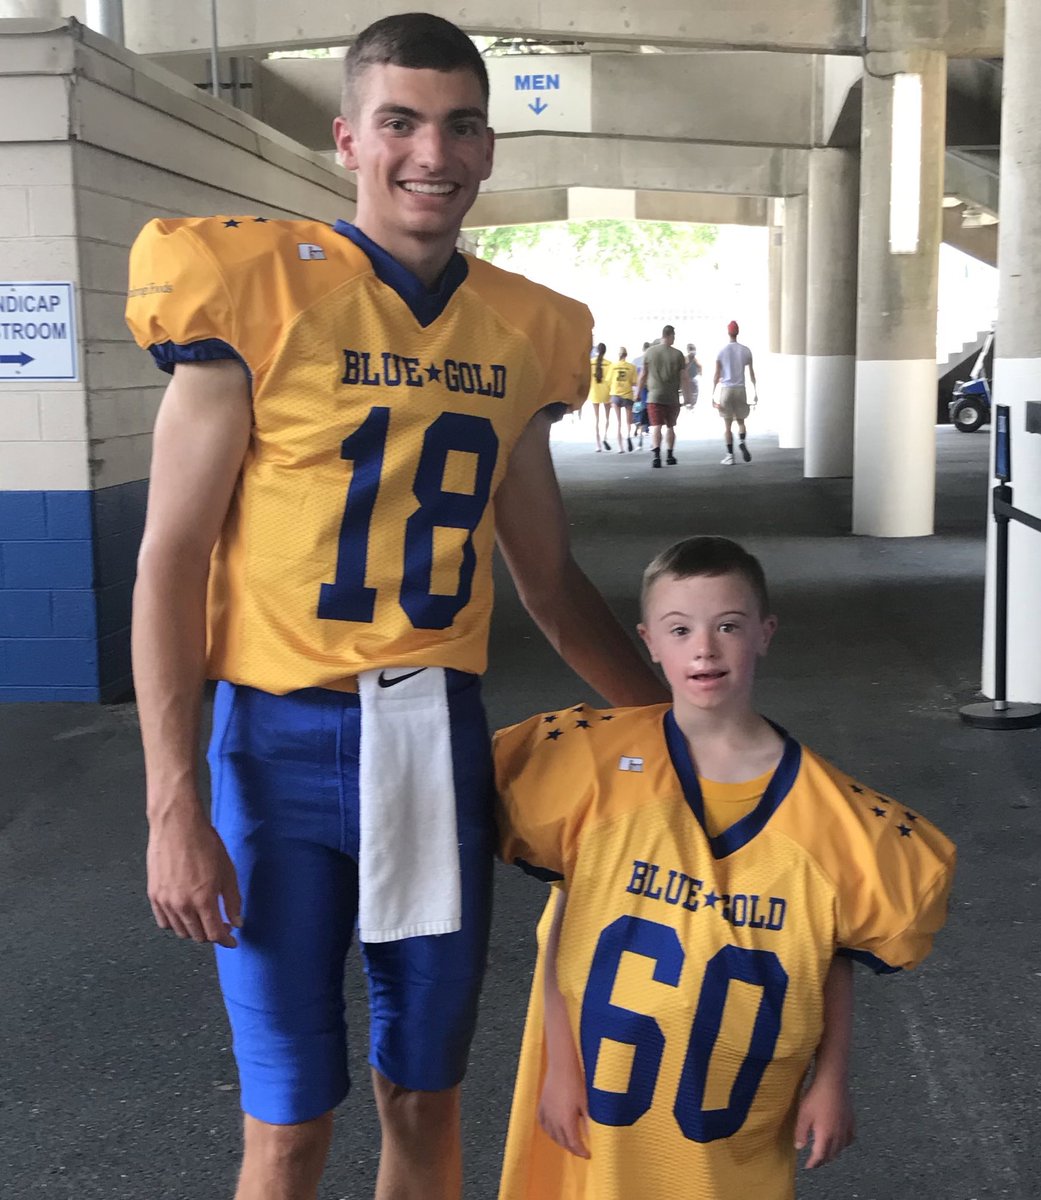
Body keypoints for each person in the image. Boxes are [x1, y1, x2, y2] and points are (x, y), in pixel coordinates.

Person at [125, 14, 667, 1200]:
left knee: (425, 1098)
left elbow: (549, 579)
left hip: (433, 740)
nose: (434, 151)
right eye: (402, 122)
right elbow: (170, 560)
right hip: (277, 744)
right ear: (348, 139)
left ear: (487, 149)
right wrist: (174, 802)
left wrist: (684, 732)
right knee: (289, 1123)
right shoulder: (253, 288)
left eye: (461, 125)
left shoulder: (523, 329)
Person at [495, 536, 956, 1200]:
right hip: (598, 1101)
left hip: (732, 1128)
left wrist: (830, 1079)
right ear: (649, 641)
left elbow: (831, 951)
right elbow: (561, 922)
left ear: (763, 634)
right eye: (680, 630)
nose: (704, 649)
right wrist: (558, 1065)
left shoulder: (836, 823)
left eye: (728, 626)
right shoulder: (595, 772)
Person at [637, 324, 692, 468]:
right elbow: (684, 377)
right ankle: (670, 455)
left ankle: (656, 457)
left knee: (656, 426)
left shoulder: (649, 352)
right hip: (672, 397)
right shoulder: (678, 354)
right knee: (670, 426)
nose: (674, 338)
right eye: (674, 336)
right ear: (670, 335)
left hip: (654, 397)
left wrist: (637, 393)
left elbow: (643, 375)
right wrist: (687, 397)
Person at [714, 320, 758, 465]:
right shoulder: (746, 350)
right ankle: (742, 441)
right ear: (738, 332)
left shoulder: (721, 351)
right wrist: (755, 391)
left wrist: (713, 394)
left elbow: (716, 375)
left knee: (727, 425)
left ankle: (730, 456)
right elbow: (751, 373)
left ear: (728, 332)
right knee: (741, 421)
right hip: (741, 389)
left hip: (726, 390)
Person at [607, 347, 638, 453]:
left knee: (618, 422)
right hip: (628, 396)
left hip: (615, 395)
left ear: (618, 355)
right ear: (626, 355)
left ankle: (620, 448)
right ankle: (628, 436)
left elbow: (608, 381)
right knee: (628, 421)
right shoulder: (632, 367)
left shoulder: (612, 366)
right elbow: (634, 382)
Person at [588, 342, 614, 451]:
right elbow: (611, 381)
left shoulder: (591, 363)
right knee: (607, 417)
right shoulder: (609, 364)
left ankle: (598, 444)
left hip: (594, 392)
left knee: (596, 419)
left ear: (597, 351)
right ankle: (605, 437)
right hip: (606, 393)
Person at [631, 340, 652, 449]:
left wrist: (635, 390)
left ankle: (639, 430)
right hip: (647, 390)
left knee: (638, 411)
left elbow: (634, 378)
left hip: (639, 391)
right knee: (647, 410)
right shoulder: (651, 361)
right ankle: (644, 430)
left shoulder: (635, 361)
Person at [684, 342, 702, 407]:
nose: (694, 352)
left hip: (693, 379)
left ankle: (692, 404)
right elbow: (685, 369)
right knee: (690, 397)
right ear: (688, 351)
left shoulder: (694, 359)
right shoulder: (686, 358)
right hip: (688, 380)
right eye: (692, 350)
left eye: (694, 350)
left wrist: (700, 370)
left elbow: (699, 366)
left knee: (694, 397)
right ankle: (690, 404)